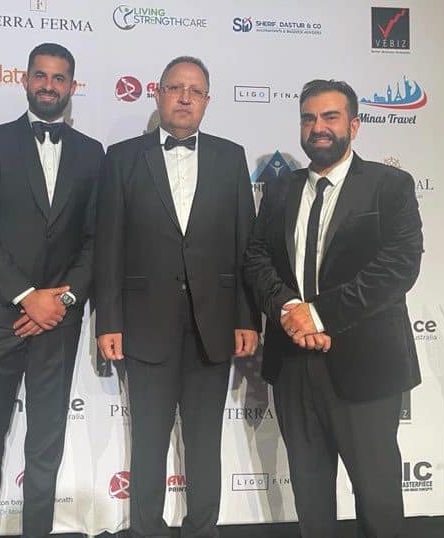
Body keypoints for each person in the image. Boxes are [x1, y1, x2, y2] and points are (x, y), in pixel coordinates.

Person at [243, 79, 423, 538]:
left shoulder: (390, 186)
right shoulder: (280, 189)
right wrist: (291, 311)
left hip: (366, 367)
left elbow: (398, 268)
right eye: (308, 118)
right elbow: (257, 259)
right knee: (310, 498)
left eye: (330, 117)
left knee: (378, 500)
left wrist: (320, 315)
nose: (318, 127)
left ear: (354, 125)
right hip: (293, 364)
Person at [95, 56, 259, 538]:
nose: (185, 97)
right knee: (148, 442)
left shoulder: (231, 157)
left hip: (215, 325)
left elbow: (244, 244)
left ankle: (203, 530)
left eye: (195, 90)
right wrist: (109, 321)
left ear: (207, 100)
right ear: (158, 93)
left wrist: (248, 317)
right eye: (175, 88)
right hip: (144, 325)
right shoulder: (122, 157)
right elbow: (109, 245)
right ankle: (146, 530)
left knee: (204, 442)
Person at [0, 42, 104, 538]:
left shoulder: (91, 153)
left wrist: (61, 300)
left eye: (59, 77)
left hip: (57, 325)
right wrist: (27, 296)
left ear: (71, 86)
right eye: (40, 75)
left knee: (45, 449)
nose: (48, 85)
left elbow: (96, 240)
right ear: (24, 80)